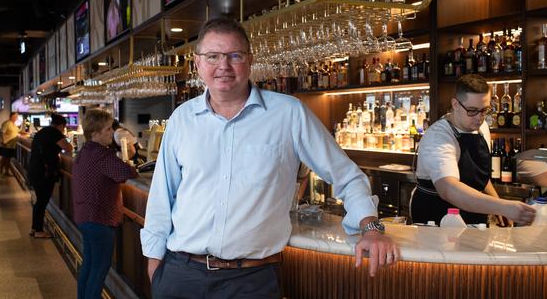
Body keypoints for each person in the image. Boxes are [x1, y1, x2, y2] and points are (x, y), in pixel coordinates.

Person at [141, 18, 398, 298]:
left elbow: (346, 176)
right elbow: (161, 197)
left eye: (234, 56)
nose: (223, 66)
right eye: (213, 56)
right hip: (180, 274)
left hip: (250, 281)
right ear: (197, 63)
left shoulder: (288, 114)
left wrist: (371, 228)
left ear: (249, 60)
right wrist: (156, 265)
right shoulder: (182, 118)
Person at [410, 74, 536, 226]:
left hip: (473, 213)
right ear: (455, 104)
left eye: (484, 110)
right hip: (437, 217)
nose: (479, 117)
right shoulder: (438, 137)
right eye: (472, 110)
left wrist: (496, 203)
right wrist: (503, 207)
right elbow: (448, 189)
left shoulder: (481, 127)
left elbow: (477, 177)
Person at [72, 109, 138, 299]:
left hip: (85, 216)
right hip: (99, 218)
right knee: (100, 268)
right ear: (96, 133)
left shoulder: (86, 150)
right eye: (108, 129)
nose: (112, 132)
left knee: (89, 265)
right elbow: (128, 173)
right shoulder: (101, 154)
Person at [27, 113, 73, 238]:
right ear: (61, 125)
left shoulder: (43, 131)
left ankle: (34, 228)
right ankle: (38, 230)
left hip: (35, 169)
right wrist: (67, 138)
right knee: (42, 200)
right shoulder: (54, 133)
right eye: (64, 127)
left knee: (40, 200)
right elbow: (68, 148)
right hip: (44, 172)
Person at [0, 112, 23, 176]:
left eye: (17, 117)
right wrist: (4, 141)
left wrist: (27, 133)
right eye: (15, 116)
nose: (16, 118)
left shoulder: (14, 124)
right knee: (4, 159)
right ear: (11, 116)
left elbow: (19, 131)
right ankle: (1, 172)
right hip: (6, 144)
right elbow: (2, 132)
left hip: (12, 145)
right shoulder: (6, 123)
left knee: (8, 159)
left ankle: (6, 172)